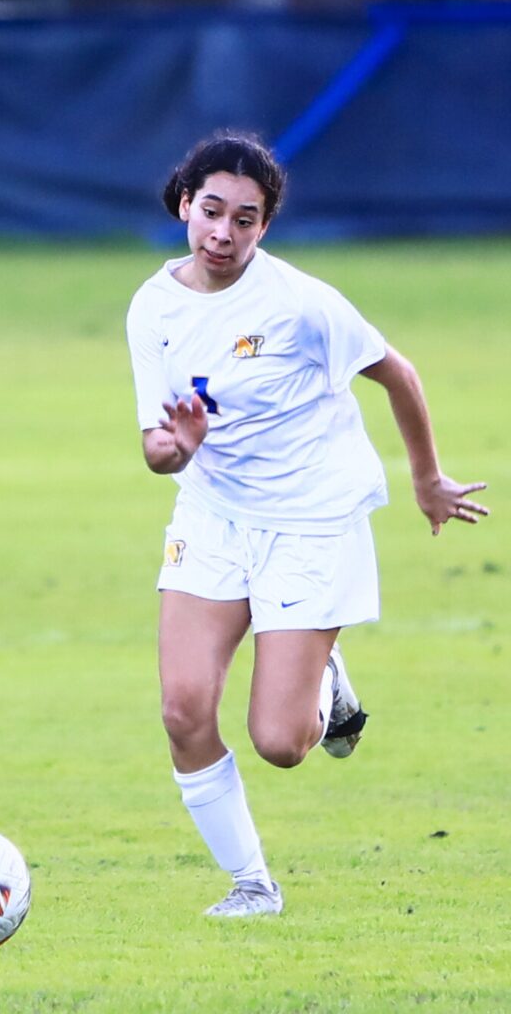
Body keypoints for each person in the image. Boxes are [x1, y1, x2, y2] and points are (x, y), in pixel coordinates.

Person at [125, 131, 489, 917]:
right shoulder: (153, 307)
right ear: (185, 205)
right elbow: (156, 447)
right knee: (183, 709)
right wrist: (178, 447)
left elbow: (398, 372)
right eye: (212, 211)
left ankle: (326, 679)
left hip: (312, 519)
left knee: (281, 744)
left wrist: (426, 480)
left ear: (266, 227)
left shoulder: (300, 304)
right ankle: (252, 885)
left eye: (246, 220)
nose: (224, 233)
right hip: (215, 514)